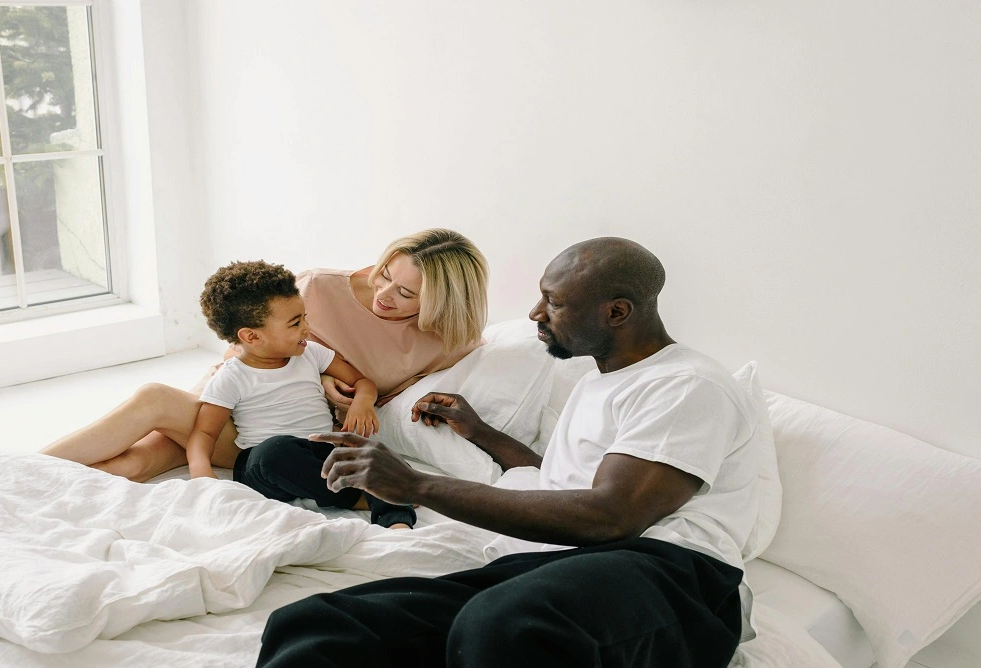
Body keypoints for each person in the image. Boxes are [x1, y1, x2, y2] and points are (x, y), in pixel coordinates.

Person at [256, 237, 766, 668]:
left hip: (674, 576)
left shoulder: (685, 385)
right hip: (562, 564)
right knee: (316, 625)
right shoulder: (598, 384)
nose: (535, 313)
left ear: (617, 312)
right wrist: (479, 431)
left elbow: (612, 515)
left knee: (502, 626)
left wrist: (414, 485)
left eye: (554, 301)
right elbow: (559, 488)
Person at [39, 229, 489, 487]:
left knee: (152, 405)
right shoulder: (317, 286)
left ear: (443, 301)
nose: (383, 294)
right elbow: (244, 345)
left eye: (406, 293)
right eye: (384, 275)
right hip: (237, 396)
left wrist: (340, 391)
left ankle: (19, 471)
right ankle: (27, 478)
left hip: (285, 431)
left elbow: (392, 401)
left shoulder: (448, 342)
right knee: (138, 460)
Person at [184, 260, 414, 528]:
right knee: (276, 452)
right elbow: (204, 434)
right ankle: (355, 498)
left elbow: (362, 381)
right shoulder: (231, 376)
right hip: (266, 463)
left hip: (321, 453)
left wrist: (363, 401)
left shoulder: (311, 353)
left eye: (304, 317)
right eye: (295, 324)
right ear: (252, 336)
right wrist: (202, 475)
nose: (306, 328)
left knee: (377, 458)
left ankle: (397, 522)